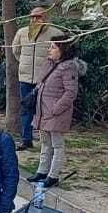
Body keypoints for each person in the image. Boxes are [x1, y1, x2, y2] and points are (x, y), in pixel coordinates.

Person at [31, 38, 83, 188]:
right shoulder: (49, 64)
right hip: (43, 111)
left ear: (62, 50)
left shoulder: (68, 68)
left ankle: (53, 175)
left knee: (57, 144)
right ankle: (42, 171)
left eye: (53, 47)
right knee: (45, 143)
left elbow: (71, 92)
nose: (49, 50)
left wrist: (56, 108)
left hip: (55, 113)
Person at [11, 4, 63, 152]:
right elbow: (16, 51)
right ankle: (26, 139)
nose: (35, 19)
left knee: (46, 109)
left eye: (38, 16)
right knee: (26, 108)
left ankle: (47, 140)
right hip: (26, 77)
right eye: (32, 16)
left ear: (46, 18)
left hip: (46, 78)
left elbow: (62, 53)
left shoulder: (56, 33)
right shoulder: (22, 32)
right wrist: (24, 63)